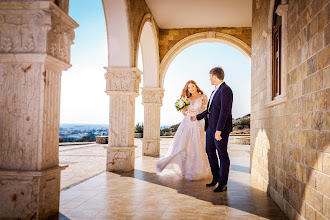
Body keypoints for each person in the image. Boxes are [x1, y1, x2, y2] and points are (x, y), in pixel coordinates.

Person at [156, 80, 211, 180]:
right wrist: (183, 107)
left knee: (198, 145)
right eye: (189, 87)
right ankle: (185, 169)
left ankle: (197, 170)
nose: (191, 89)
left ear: (196, 86)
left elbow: (205, 110)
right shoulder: (187, 99)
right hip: (188, 122)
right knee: (183, 145)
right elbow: (184, 113)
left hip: (198, 122)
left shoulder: (203, 97)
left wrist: (196, 114)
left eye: (192, 86)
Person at [191, 67, 233, 192]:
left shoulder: (226, 90)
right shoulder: (215, 90)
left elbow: (225, 112)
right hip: (210, 127)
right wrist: (197, 117)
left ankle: (223, 183)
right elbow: (210, 111)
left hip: (220, 129)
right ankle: (216, 177)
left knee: (222, 155)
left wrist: (219, 130)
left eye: (210, 76)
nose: (209, 78)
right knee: (209, 151)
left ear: (215, 76)